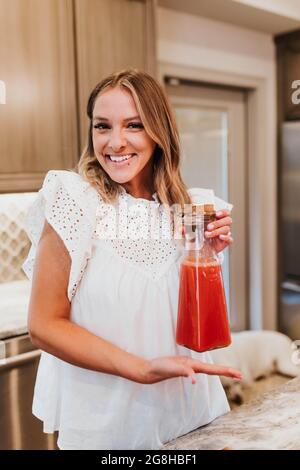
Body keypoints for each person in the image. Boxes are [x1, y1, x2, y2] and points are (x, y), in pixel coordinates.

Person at [23, 69, 241, 450]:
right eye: (102, 126)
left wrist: (205, 259)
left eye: (134, 125)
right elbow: (44, 325)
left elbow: (196, 329)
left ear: (159, 132)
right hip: (108, 427)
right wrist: (140, 369)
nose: (115, 142)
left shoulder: (189, 209)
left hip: (192, 414)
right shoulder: (74, 201)